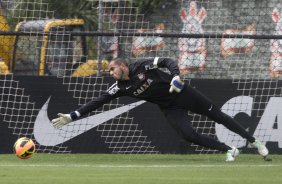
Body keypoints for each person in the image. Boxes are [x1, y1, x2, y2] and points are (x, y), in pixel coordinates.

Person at [52, 57, 269, 161]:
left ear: (123, 66)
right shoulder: (119, 87)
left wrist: (175, 76)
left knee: (219, 116)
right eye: (108, 71)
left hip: (182, 93)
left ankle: (254, 141)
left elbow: (167, 61)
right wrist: (73, 116)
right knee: (188, 135)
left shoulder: (142, 65)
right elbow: (97, 102)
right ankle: (230, 149)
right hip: (169, 107)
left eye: (112, 69)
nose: (110, 72)